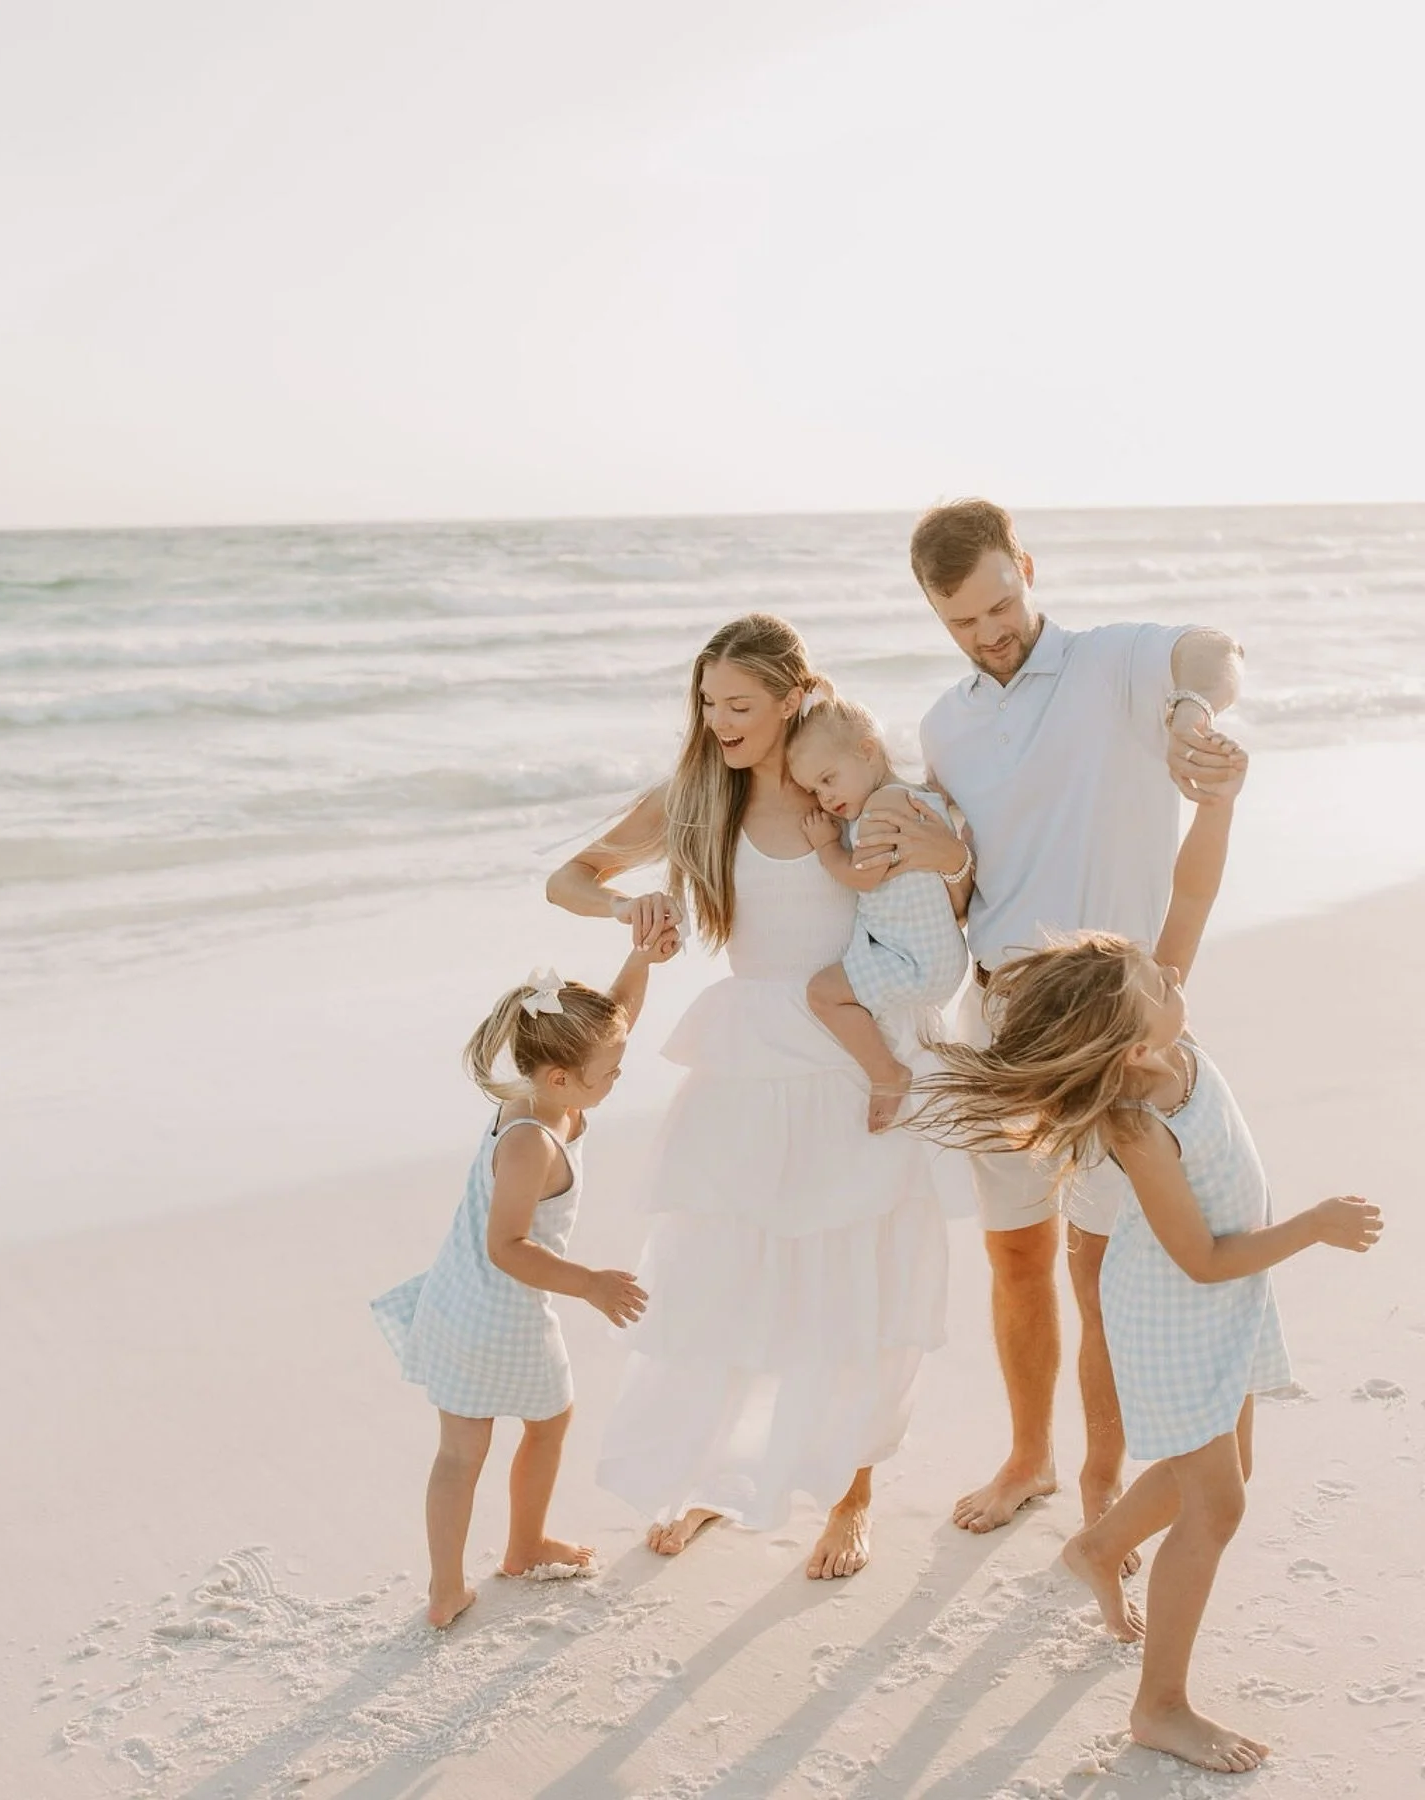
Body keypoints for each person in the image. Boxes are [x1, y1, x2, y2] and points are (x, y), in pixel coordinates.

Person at [912, 776, 1383, 1775]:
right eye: (1158, 984)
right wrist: (1313, 1226)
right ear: (1129, 1046)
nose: (1176, 979)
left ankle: (1094, 1548)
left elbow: (1192, 898)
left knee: (1221, 1474)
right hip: (1181, 1307)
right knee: (1218, 1505)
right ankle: (1159, 1706)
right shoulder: (1135, 1120)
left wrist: (1218, 805)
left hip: (1226, 1295)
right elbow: (1199, 1258)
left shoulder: (1156, 1030)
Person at [855, 497, 1247, 1542]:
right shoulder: (945, 725)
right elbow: (968, 875)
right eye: (961, 622)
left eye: (1000, 604)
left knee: (1100, 1260)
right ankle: (1031, 1457)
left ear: (1025, 567)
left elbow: (1214, 649)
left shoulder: (1115, 665)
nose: (989, 635)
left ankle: (1102, 1478)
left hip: (1112, 1024)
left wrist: (1187, 716)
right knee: (1017, 1256)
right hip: (999, 1022)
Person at [545, 613, 952, 1580]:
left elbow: (947, 885)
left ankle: (850, 1497)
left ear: (790, 696)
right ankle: (703, 1481)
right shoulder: (696, 797)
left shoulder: (846, 787)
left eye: (738, 704)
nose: (719, 720)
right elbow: (570, 876)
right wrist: (624, 904)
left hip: (853, 1059)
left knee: (853, 1287)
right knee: (723, 1285)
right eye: (707, 703)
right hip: (750, 1063)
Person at [371, 940, 676, 1628]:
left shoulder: (546, 1089)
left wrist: (642, 961)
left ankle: (448, 1589)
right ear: (564, 1077)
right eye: (611, 1073)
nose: (618, 1078)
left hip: (457, 1298)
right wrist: (589, 1283)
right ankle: (523, 1546)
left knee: (463, 1448)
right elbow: (507, 1246)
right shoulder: (531, 1140)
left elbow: (614, 1017)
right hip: (498, 1308)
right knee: (544, 1422)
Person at [785, 683, 971, 1130]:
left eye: (828, 779)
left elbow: (862, 875)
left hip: (913, 961)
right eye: (813, 790)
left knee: (823, 994)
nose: (825, 799)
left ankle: (886, 1073)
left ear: (868, 751)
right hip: (938, 953)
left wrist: (828, 845)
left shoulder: (878, 811)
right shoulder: (917, 795)